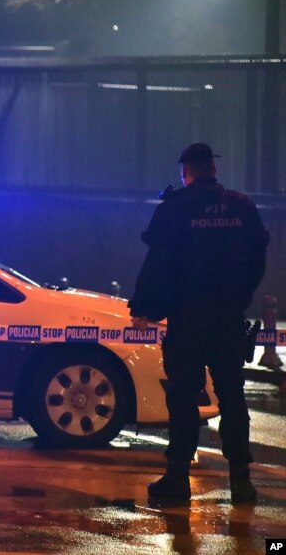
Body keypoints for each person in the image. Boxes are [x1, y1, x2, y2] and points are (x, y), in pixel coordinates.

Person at [129, 142, 268, 505]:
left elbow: (156, 264)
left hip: (187, 320)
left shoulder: (175, 208)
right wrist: (240, 298)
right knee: (233, 397)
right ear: (214, 170)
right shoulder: (243, 206)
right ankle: (241, 480)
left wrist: (144, 307)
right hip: (227, 319)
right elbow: (258, 260)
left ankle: (177, 479)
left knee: (183, 398)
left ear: (185, 173)